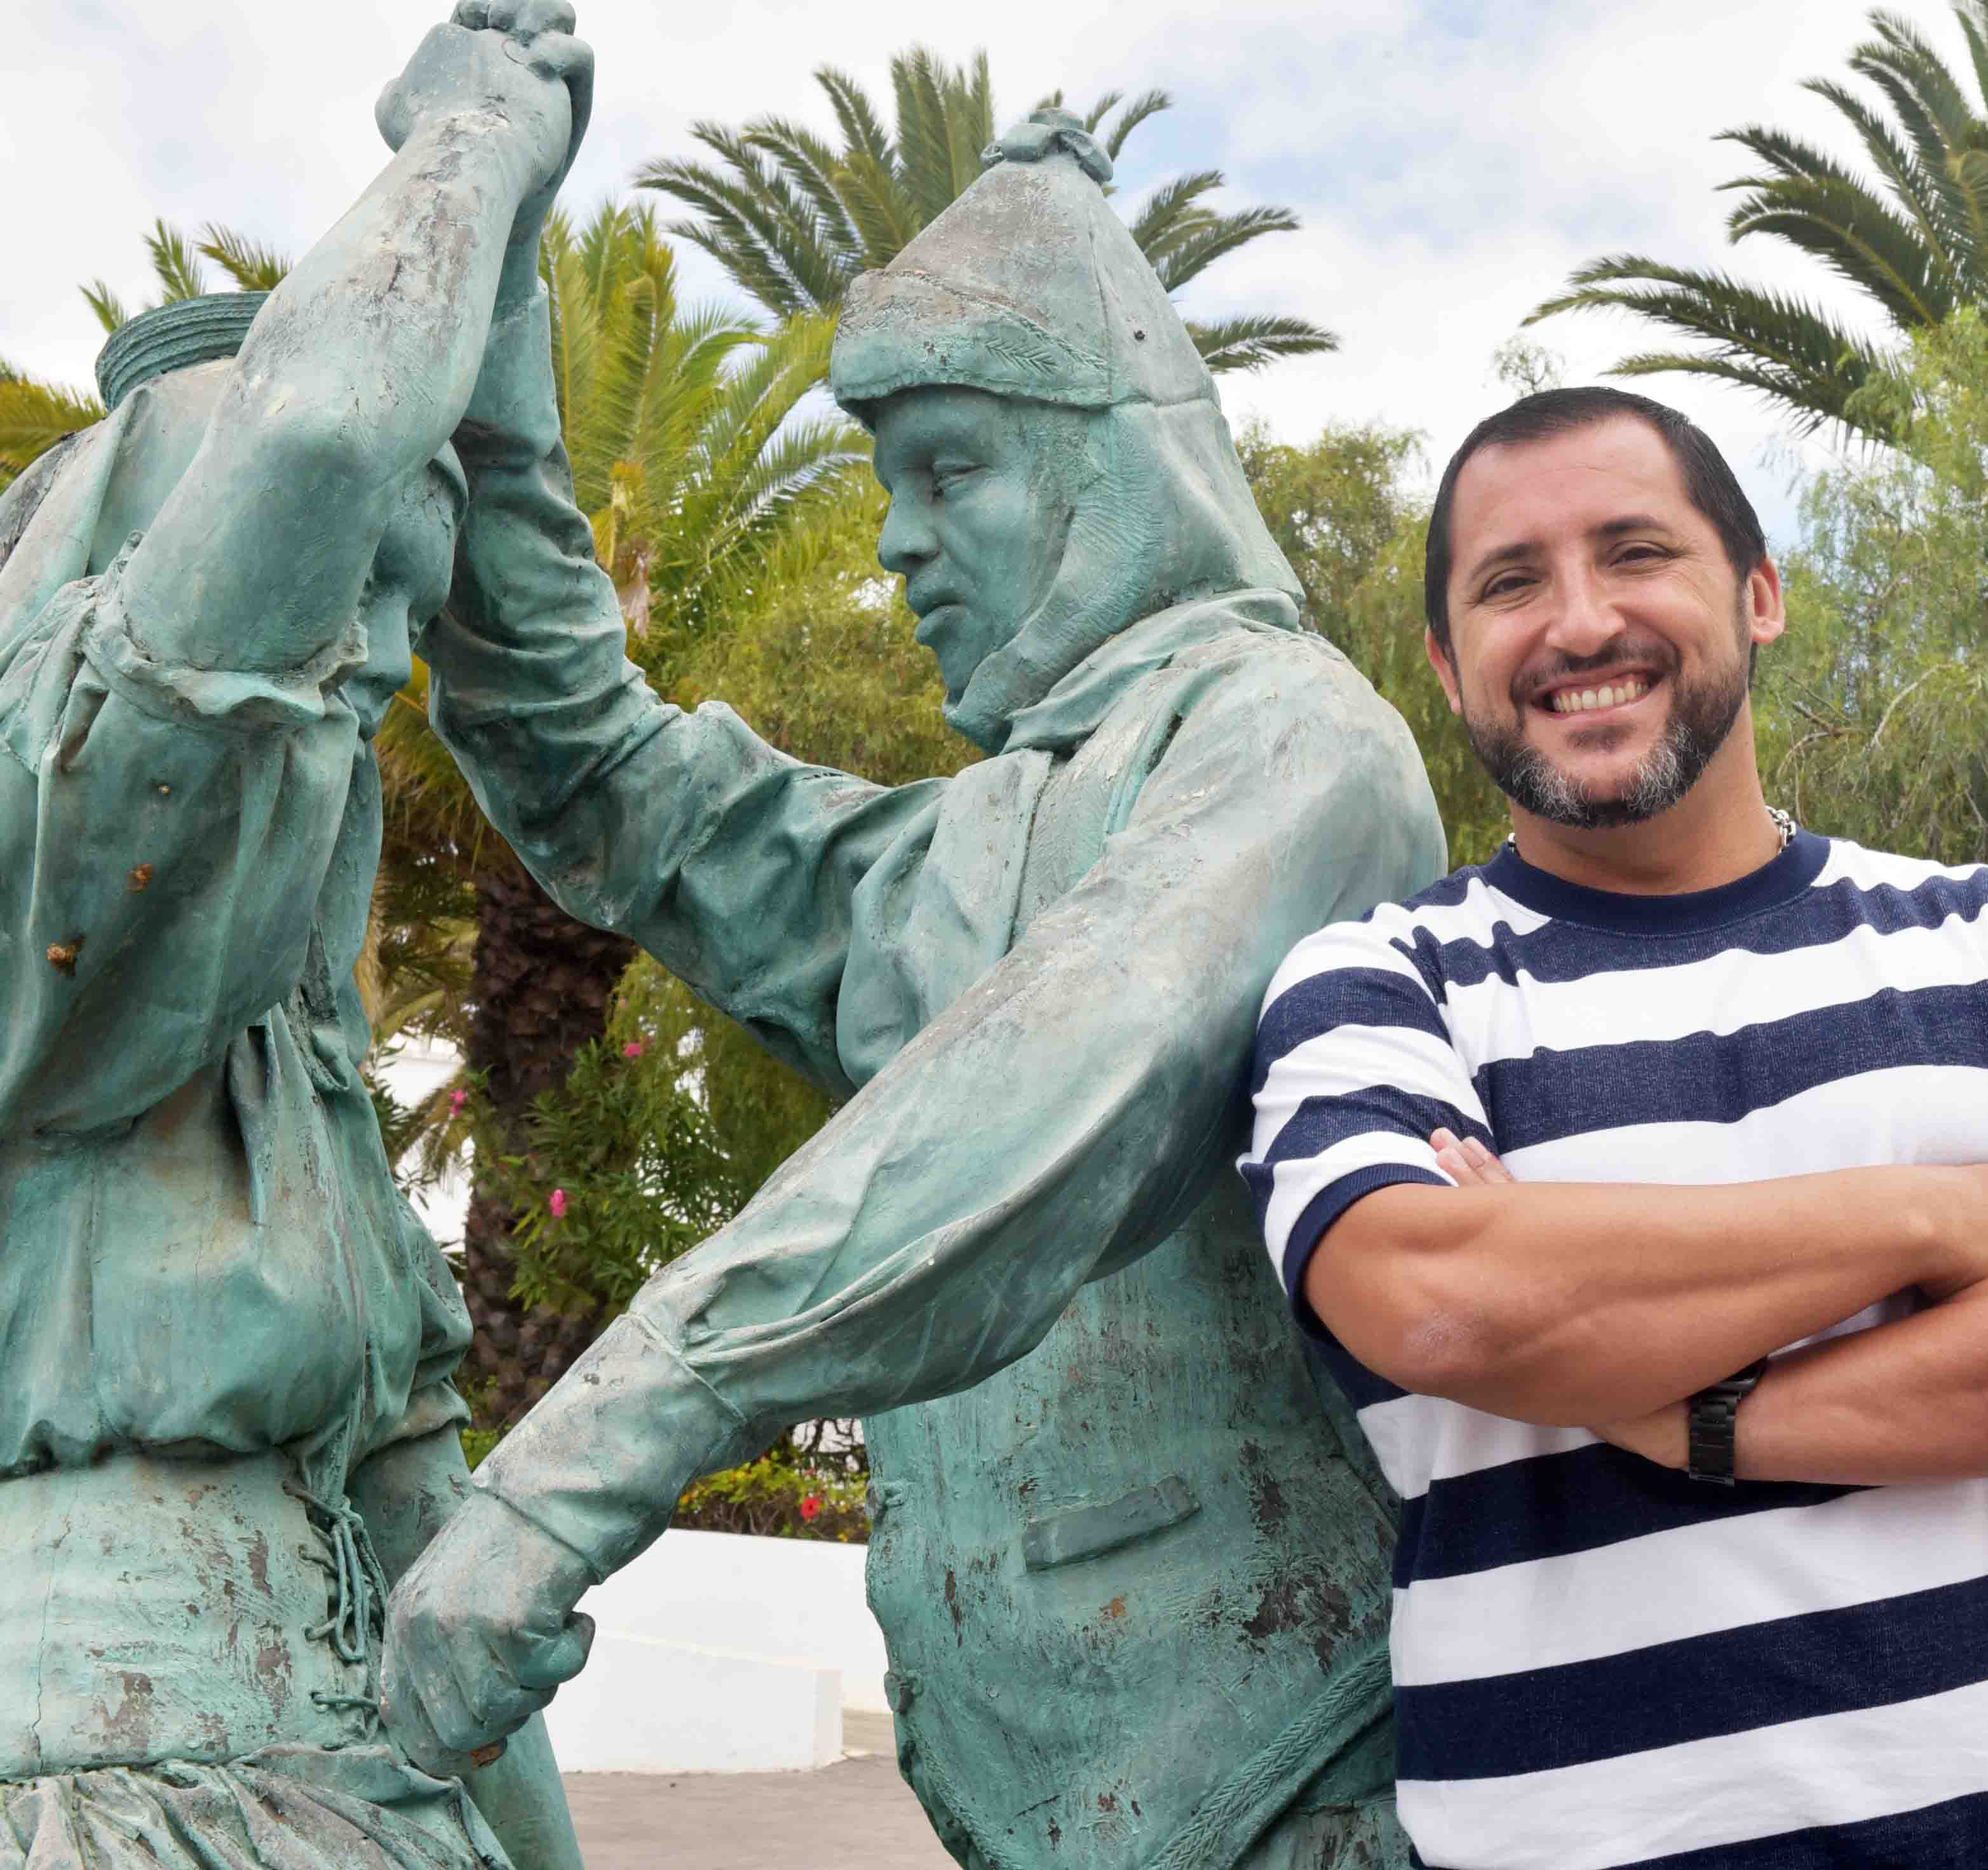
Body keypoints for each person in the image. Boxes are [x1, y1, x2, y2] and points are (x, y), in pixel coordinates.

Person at [381, 111, 1445, 1869]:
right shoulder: (961, 853)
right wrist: (493, 271)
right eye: (888, 483)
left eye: (951, 472)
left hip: (1302, 1793)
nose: (897, 542)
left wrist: (576, 1470)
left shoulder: (1295, 742)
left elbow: (1037, 1103)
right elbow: (600, 773)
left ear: (1120, 466)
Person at [1241, 386, 1988, 1870]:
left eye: (1635, 551)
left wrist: (1693, 1414)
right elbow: (1446, 1300)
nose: (1580, 623)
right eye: (1510, 581)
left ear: (1759, 592)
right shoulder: (1377, 982)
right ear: (1445, 660)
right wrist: (1933, 1219)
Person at [0, 7, 596, 1864]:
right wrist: (474, 150)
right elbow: (328, 428)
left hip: (348, 1793)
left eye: (405, 615)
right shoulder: (51, 886)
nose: (380, 666)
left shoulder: (300, 1096)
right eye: (344, 600)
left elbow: (424, 1571)